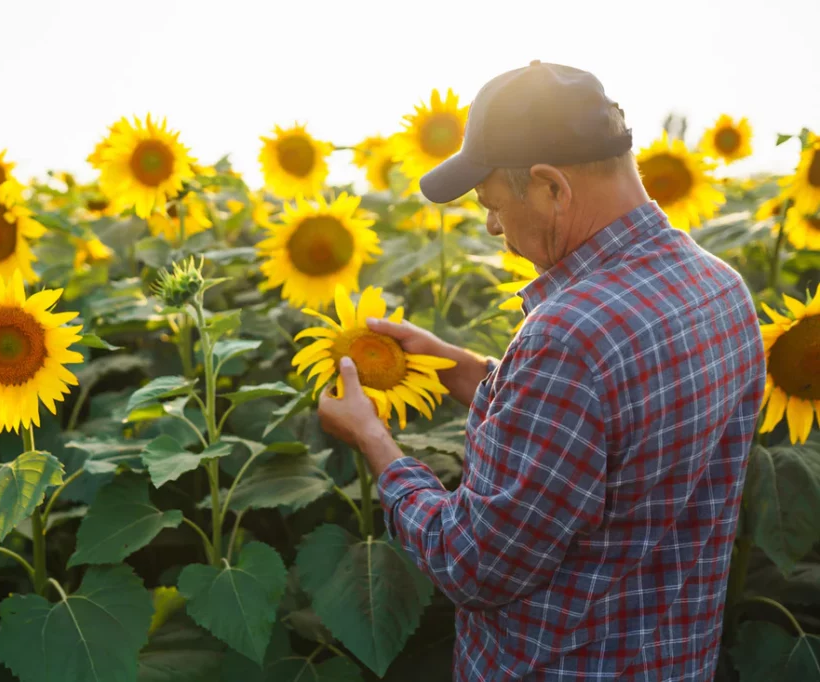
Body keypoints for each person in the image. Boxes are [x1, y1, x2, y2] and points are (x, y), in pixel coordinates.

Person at [317, 60, 767, 681]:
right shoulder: (720, 289)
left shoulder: (570, 338)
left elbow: (473, 565)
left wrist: (374, 441)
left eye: (493, 204)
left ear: (552, 186)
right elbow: (603, 433)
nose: (493, 227)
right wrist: (461, 367)